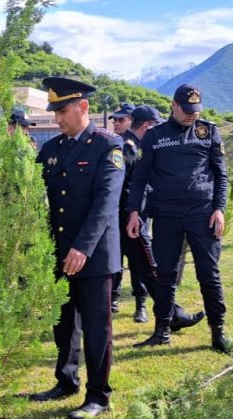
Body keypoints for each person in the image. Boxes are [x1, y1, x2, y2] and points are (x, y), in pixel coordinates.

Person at [31, 77, 124, 419]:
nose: (57, 119)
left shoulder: (108, 147)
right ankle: (66, 380)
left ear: (83, 107)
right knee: (63, 322)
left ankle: (98, 395)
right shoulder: (53, 149)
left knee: (97, 327)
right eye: (54, 112)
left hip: (95, 254)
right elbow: (34, 189)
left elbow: (105, 203)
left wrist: (82, 248)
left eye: (63, 111)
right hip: (60, 250)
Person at [127, 84, 231, 353]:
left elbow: (221, 176)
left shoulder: (209, 132)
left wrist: (219, 209)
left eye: (195, 110)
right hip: (166, 214)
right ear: (173, 105)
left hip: (202, 214)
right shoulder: (154, 136)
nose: (191, 115)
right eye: (186, 110)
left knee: (209, 274)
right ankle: (162, 330)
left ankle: (218, 332)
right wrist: (134, 212)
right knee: (164, 274)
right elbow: (139, 178)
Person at [119, 105, 205, 329]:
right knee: (152, 269)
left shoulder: (128, 145)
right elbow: (127, 188)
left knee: (147, 270)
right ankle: (173, 315)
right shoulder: (131, 149)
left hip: (128, 220)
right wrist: (136, 214)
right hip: (130, 221)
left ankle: (171, 314)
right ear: (148, 126)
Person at [109, 102, 134, 313]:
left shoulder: (135, 146)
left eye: (121, 119)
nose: (116, 123)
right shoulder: (112, 144)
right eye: (115, 120)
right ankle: (113, 297)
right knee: (114, 256)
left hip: (132, 211)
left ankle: (141, 303)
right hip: (114, 211)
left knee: (137, 260)